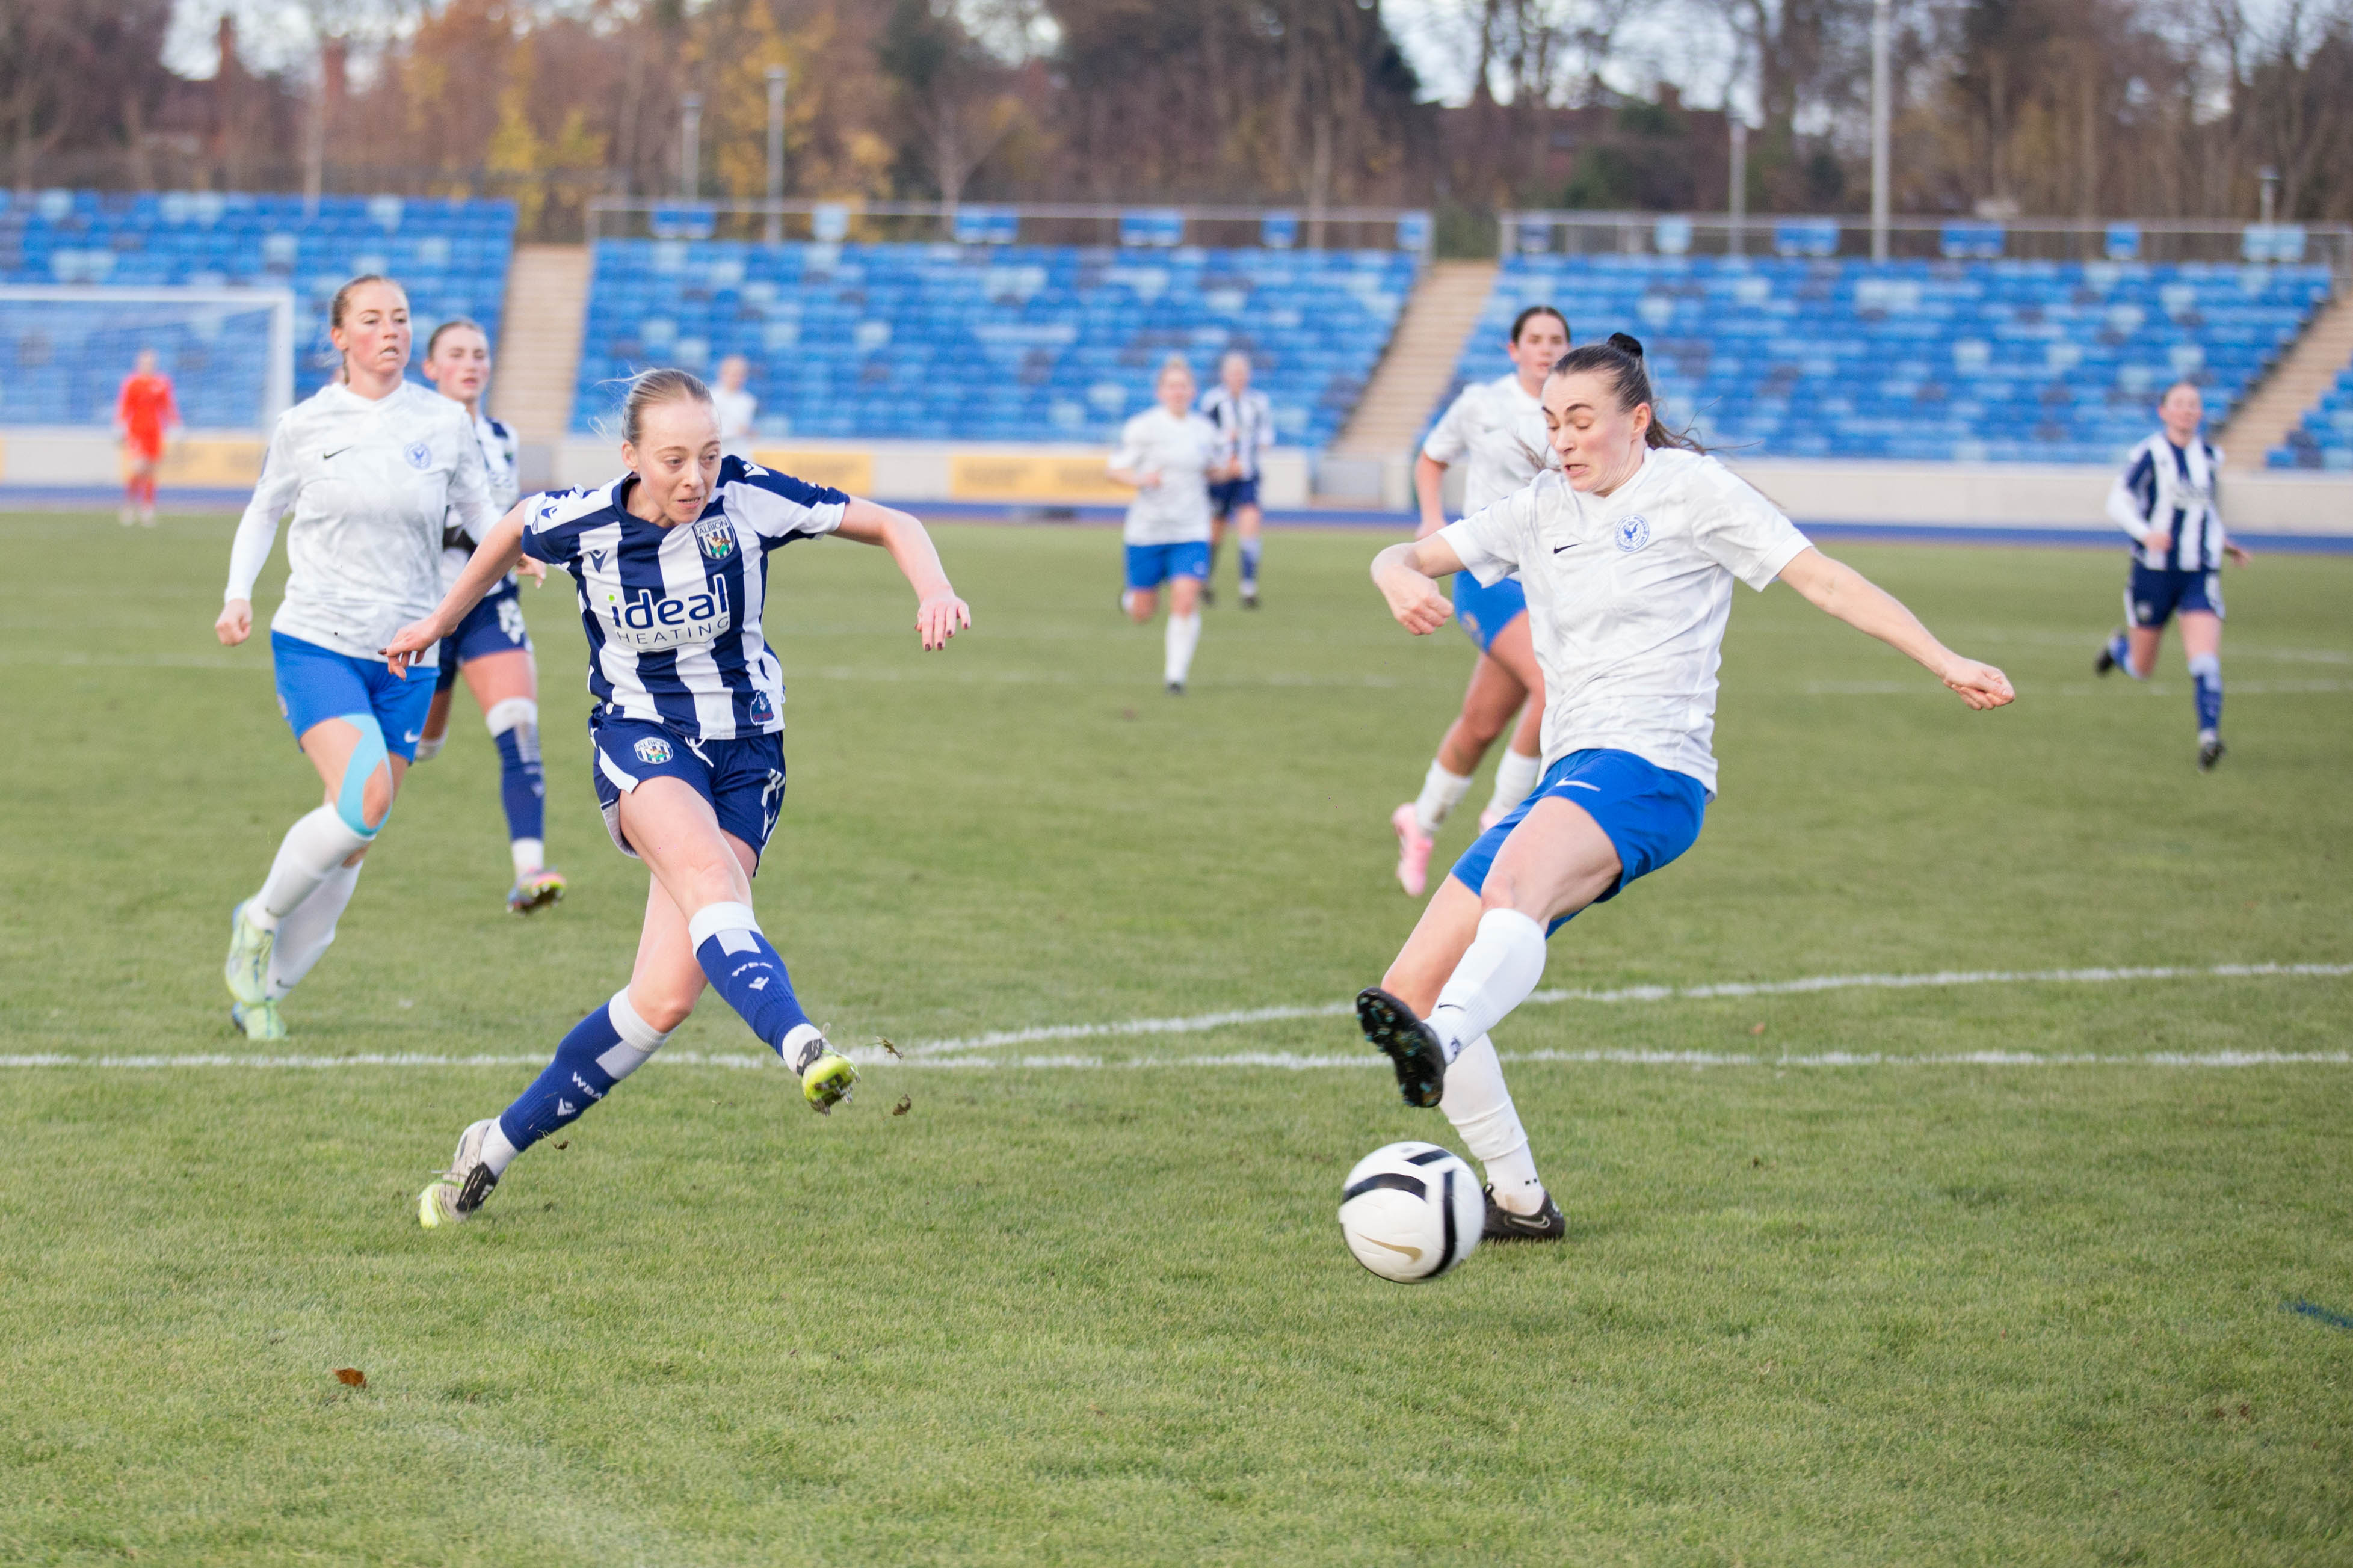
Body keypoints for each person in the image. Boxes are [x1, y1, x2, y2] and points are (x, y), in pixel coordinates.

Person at [1355, 335, 2014, 1243]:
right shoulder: (1539, 505)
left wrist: (1942, 657)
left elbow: (1821, 580)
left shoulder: (1690, 490)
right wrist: (1392, 575)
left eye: (1581, 420)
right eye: (1549, 423)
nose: (1563, 441)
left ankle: (1449, 1038)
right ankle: (1517, 1199)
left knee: (1507, 902)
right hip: (1572, 770)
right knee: (1405, 987)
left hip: (1652, 767)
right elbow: (1406, 554)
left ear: (1636, 419)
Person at [387, 369, 970, 1228]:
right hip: (640, 739)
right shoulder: (584, 522)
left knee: (658, 1002)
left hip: (747, 755)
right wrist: (441, 620)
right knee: (704, 875)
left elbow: (895, 521)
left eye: (707, 454)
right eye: (671, 460)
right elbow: (514, 525)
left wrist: (934, 586)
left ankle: (492, 1145)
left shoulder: (748, 499)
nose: (694, 476)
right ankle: (802, 1041)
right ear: (629, 457)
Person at [214, 275, 499, 1041]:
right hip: (318, 639)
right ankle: (259, 917)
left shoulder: (443, 421)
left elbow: (477, 507)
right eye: (371, 320)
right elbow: (263, 509)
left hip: (409, 650)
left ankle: (265, 993)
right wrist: (238, 593)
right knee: (363, 801)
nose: (391, 331)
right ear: (339, 337)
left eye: (401, 318)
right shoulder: (305, 424)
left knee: (357, 840)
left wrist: (514, 547)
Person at [1389, 305, 1571, 896]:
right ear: (1512, 349)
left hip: (1549, 585)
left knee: (1480, 724)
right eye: (1535, 340)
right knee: (1551, 686)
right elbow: (1430, 456)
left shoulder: (1575, 412)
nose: (1545, 349)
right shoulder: (1481, 403)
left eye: (1556, 340)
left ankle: (1419, 822)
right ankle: (1501, 822)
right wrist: (1431, 517)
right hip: (1488, 576)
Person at [413, 317, 566, 913]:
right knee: (418, 748)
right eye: (457, 354)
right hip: (421, 610)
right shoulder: (414, 436)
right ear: (431, 369)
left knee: (518, 728)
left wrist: (523, 551)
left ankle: (531, 872)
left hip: (490, 607)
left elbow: (507, 514)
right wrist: (490, 541)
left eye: (479, 353)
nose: (471, 363)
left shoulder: (502, 435)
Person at [2094, 380, 2250, 770]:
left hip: (2198, 571)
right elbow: (2117, 501)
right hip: (2153, 574)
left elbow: (2205, 511)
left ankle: (2209, 737)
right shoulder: (2150, 454)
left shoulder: (2210, 456)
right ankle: (2118, 650)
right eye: (2179, 404)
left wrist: (2223, 541)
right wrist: (2145, 533)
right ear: (2163, 411)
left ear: (2199, 413)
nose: (2186, 410)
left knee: (2204, 661)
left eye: (2193, 404)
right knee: (2142, 669)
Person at [1108, 355, 1220, 693]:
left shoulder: (1205, 431)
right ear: (1160, 392)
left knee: (1186, 597)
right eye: (1171, 386)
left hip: (1191, 529)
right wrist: (1142, 478)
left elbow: (1213, 469)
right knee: (1143, 612)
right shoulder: (1144, 427)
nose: (1178, 391)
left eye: (1183, 385)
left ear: (1193, 391)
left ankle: (1175, 677)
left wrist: (1228, 470)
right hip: (1148, 530)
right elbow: (1115, 470)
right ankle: (1131, 599)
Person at [1198, 349, 1275, 609]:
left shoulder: (1258, 403)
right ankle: (1204, 581)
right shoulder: (1213, 402)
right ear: (1224, 375)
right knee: (1215, 530)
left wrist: (1256, 447)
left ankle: (1248, 587)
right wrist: (1223, 449)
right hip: (1220, 478)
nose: (1237, 378)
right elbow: (1204, 437)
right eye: (1233, 373)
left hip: (1247, 476)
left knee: (1250, 523)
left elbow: (1266, 436)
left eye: (1242, 373)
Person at [116, 348, 180, 527]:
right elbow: (125, 407)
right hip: (137, 432)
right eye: (145, 362)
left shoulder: (161, 383)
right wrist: (120, 426)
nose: (148, 366)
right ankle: (129, 505)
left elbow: (168, 406)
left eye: (151, 363)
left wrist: (175, 424)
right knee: (138, 467)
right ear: (139, 364)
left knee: (151, 470)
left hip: (154, 432)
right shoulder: (132, 383)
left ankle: (147, 508)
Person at [712, 354, 757, 458]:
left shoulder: (748, 401)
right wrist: (734, 431)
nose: (737, 379)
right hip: (720, 455)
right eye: (734, 374)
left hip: (742, 454)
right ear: (723, 374)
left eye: (741, 375)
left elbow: (747, 431)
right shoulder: (710, 398)